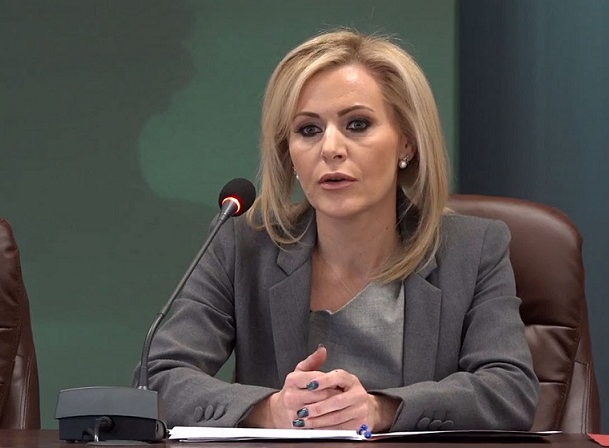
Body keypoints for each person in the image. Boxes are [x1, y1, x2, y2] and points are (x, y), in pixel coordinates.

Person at [141, 29, 539, 433]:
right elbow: (157, 377)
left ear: (407, 142)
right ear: (288, 152)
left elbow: (510, 391)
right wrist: (271, 410)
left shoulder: (472, 250)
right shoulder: (242, 244)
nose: (330, 148)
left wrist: (381, 410)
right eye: (308, 130)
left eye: (357, 124)